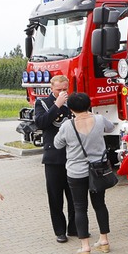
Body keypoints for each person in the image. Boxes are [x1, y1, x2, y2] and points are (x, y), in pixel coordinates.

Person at [54, 93, 115, 254]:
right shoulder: (100, 119)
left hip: (76, 172)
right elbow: (110, 128)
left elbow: (57, 144)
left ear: (70, 108)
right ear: (89, 104)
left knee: (80, 207)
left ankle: (85, 247)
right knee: (100, 204)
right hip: (98, 171)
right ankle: (104, 241)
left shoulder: (67, 125)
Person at [34, 74, 77, 243]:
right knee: (55, 197)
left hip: (72, 156)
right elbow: (41, 123)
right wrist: (57, 105)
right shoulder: (42, 103)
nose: (62, 92)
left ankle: (74, 227)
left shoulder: (73, 102)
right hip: (53, 157)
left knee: (74, 196)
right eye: (59, 90)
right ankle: (60, 230)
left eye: (65, 89)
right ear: (52, 89)